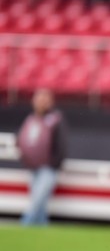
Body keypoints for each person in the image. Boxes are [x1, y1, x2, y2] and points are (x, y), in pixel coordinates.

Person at [16, 89, 68, 226]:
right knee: (41, 203)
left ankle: (25, 224)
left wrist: (54, 164)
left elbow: (61, 144)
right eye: (39, 99)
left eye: (45, 99)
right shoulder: (31, 119)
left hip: (48, 168)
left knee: (37, 199)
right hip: (32, 167)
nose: (41, 103)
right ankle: (42, 228)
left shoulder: (55, 119)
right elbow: (22, 139)